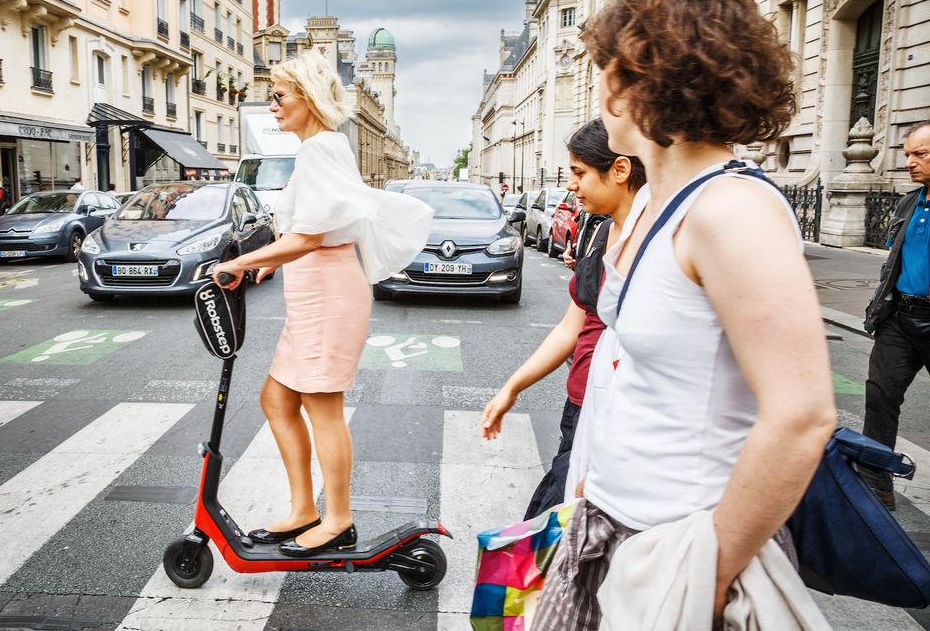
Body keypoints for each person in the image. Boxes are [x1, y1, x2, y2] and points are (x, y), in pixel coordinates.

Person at [529, 0, 836, 629]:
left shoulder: (731, 209)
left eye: (606, 68)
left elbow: (803, 416)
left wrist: (711, 570)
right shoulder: (657, 204)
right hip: (610, 527)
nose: (599, 86)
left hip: (677, 549)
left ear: (643, 80)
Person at [211, 52, 432, 556]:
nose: (272, 106)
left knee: (321, 407)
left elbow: (310, 237)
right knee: (277, 399)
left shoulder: (320, 149)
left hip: (329, 295)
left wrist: (241, 265)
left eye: (279, 96)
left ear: (307, 99)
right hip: (313, 290)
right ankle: (303, 510)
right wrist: (269, 262)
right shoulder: (319, 148)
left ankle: (338, 519)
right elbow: (311, 228)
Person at [480, 119, 645, 519]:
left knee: (552, 541)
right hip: (580, 406)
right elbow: (571, 327)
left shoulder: (655, 239)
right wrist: (512, 388)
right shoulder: (602, 231)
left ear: (619, 171)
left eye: (579, 173)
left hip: (619, 419)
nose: (571, 185)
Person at [861, 121, 930, 509]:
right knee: (880, 396)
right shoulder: (909, 202)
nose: (910, 162)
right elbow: (894, 261)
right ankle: (875, 484)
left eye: (920, 153)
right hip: (900, 316)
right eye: (907, 154)